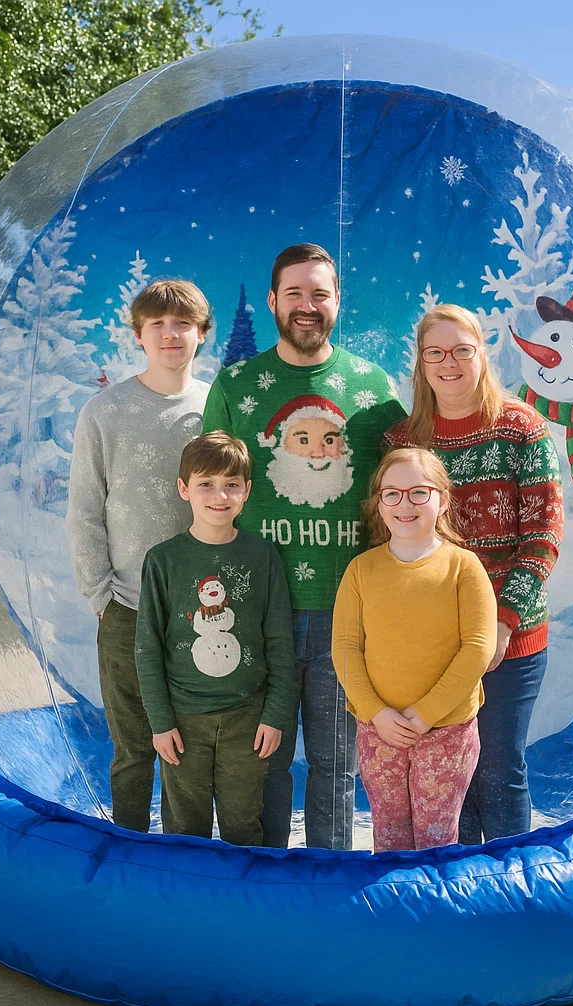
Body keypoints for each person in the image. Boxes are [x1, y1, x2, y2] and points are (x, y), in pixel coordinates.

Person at [201, 243, 404, 849]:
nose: (307, 306)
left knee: (337, 765)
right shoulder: (237, 386)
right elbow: (208, 492)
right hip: (259, 611)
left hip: (346, 613)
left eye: (320, 293)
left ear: (337, 302)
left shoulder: (371, 387)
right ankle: (266, 887)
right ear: (272, 301)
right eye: (294, 293)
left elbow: (406, 487)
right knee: (261, 761)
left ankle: (329, 883)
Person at [385, 304, 563, 843]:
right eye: (434, 352)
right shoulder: (402, 440)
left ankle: (511, 890)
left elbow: (543, 538)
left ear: (482, 354)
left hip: (513, 638)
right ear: (420, 363)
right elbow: (392, 537)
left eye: (462, 349)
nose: (449, 362)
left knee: (499, 769)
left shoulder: (521, 427)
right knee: (448, 778)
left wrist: (503, 623)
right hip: (435, 640)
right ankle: (460, 892)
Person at [66, 279, 212, 832]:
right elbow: (85, 508)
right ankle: (127, 855)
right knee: (132, 748)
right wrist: (100, 593)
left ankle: (183, 863)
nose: (171, 334)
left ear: (201, 334)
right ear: (139, 335)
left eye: (182, 324)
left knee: (190, 750)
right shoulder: (105, 411)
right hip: (127, 606)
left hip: (202, 609)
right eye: (158, 324)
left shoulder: (214, 406)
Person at [134, 432, 298, 845]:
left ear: (246, 491)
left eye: (231, 484)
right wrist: (161, 722)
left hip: (247, 718)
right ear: (184, 488)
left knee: (244, 823)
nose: (219, 495)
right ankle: (188, 906)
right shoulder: (163, 560)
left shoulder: (262, 557)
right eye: (206, 483)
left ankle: (246, 907)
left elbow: (280, 642)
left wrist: (275, 715)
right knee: (185, 827)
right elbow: (148, 648)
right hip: (183, 721)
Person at [331, 447, 497, 851]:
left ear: (442, 499)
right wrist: (376, 713)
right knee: (388, 836)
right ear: (379, 505)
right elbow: (346, 648)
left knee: (436, 839)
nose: (404, 504)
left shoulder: (464, 566)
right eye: (392, 494)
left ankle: (436, 913)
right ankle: (391, 912)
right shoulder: (361, 570)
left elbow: (478, 648)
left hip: (446, 731)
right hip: (378, 731)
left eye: (419, 492)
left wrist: (426, 714)